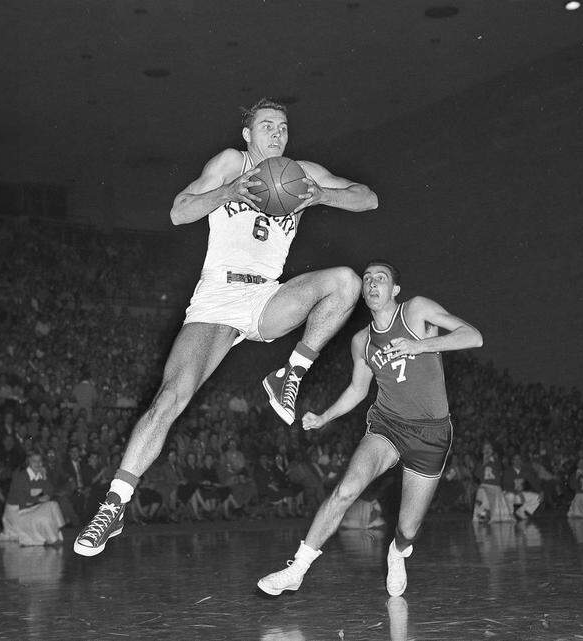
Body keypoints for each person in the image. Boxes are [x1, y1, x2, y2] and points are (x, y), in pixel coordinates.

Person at [75, 98, 378, 556]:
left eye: (283, 127)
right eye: (267, 127)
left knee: (345, 282)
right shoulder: (230, 163)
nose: (277, 135)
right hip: (218, 294)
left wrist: (322, 195)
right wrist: (230, 191)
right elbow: (180, 211)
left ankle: (290, 374)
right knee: (169, 399)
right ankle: (114, 506)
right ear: (248, 135)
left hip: (266, 297)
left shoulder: (301, 172)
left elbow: (368, 197)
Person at [257, 260, 482, 597]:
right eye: (367, 279)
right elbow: (357, 391)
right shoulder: (361, 341)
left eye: (381, 278)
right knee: (345, 490)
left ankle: (398, 552)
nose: (373, 283)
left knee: (407, 527)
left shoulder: (416, 310)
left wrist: (420, 345)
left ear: (395, 290)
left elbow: (473, 336)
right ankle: (298, 569)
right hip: (387, 425)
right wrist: (323, 417)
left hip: (431, 433)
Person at [0, 452, 66, 546]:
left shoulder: (41, 474)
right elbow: (22, 500)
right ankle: (53, 540)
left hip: (31, 508)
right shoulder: (21, 475)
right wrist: (39, 500)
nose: (38, 464)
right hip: (17, 513)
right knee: (44, 519)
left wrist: (45, 477)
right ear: (28, 462)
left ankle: (57, 532)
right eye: (34, 461)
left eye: (40, 461)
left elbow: (50, 491)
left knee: (53, 504)